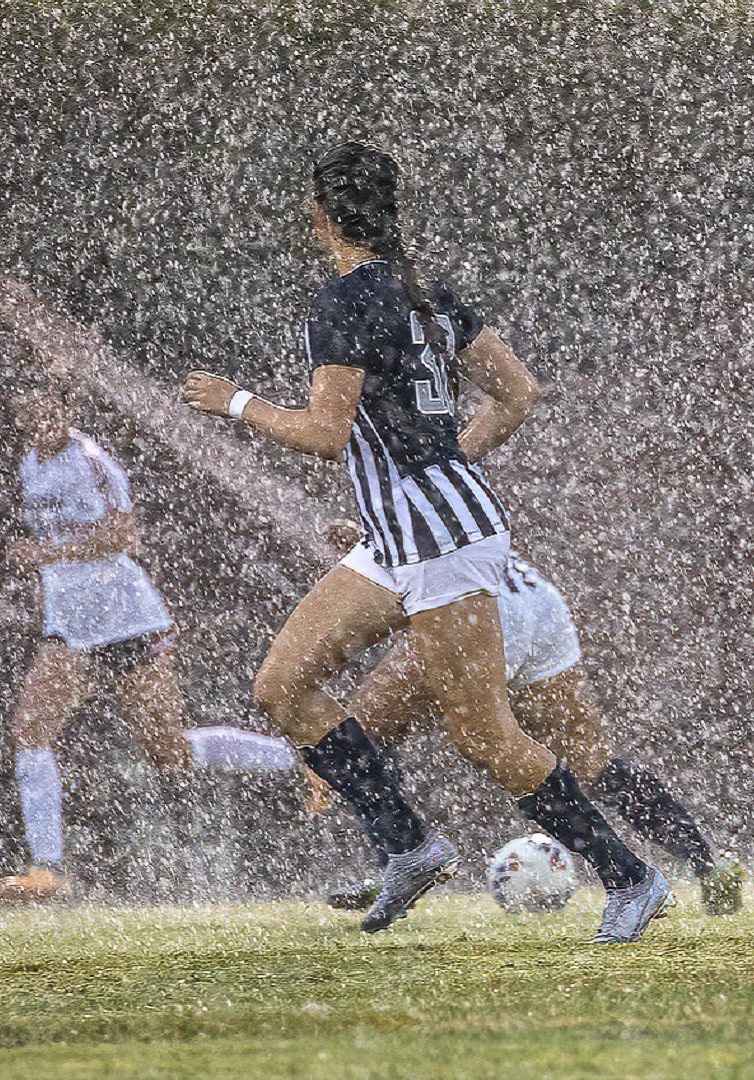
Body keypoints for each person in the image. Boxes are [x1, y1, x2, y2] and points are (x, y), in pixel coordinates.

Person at [180, 141, 668, 941]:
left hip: (440, 540)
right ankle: (407, 846)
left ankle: (632, 877)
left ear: (321, 214)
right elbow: (519, 392)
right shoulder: (426, 290)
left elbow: (327, 433)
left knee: (483, 734)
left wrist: (236, 403)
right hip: (409, 532)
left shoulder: (340, 300)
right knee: (281, 687)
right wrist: (447, 471)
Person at [0, 380, 308, 903]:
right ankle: (48, 867)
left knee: (169, 751)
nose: (35, 415)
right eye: (26, 405)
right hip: (70, 625)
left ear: (66, 406)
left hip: (124, 618)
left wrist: (46, 554)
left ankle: (301, 761)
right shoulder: (30, 463)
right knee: (31, 730)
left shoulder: (92, 460)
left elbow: (123, 536)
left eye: (45, 404)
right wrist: (49, 569)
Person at [326, 536, 748, 915]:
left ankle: (400, 863)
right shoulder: (445, 474)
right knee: (592, 762)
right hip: (526, 593)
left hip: (464, 600)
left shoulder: (382, 465)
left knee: (362, 736)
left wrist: (368, 540)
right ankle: (706, 863)